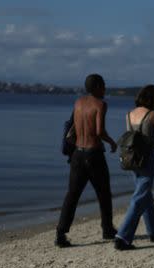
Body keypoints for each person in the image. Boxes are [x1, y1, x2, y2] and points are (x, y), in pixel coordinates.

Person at [55, 74, 118, 248]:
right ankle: (107, 229)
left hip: (77, 154)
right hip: (94, 154)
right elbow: (99, 131)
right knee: (104, 193)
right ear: (97, 86)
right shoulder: (100, 104)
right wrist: (113, 142)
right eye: (104, 85)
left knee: (72, 194)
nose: (105, 88)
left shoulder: (78, 103)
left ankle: (60, 234)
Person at [113, 84, 154, 251]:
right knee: (140, 195)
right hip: (148, 158)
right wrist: (150, 140)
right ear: (153, 99)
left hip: (132, 159)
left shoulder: (128, 114)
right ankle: (122, 237)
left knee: (144, 193)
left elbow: (130, 138)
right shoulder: (152, 114)